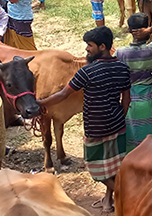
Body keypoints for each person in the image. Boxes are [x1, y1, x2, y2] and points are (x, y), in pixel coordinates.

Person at [37, 27, 131, 213]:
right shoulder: (123, 68)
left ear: (102, 46)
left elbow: (63, 94)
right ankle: (108, 200)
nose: (86, 49)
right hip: (118, 125)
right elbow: (126, 99)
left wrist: (41, 102)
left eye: (90, 45)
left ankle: (128, 194)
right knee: (113, 166)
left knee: (94, 167)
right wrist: (120, 116)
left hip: (95, 128)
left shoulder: (86, 72)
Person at [116, 14, 152, 152]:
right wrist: (151, 29)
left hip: (132, 100)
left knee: (135, 136)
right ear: (146, 28)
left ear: (130, 31)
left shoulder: (121, 53)